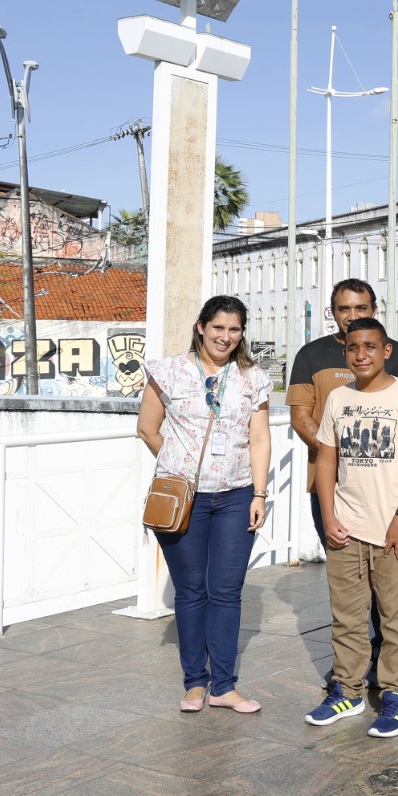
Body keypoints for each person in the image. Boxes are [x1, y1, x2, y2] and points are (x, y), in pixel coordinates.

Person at [136, 295, 273, 715]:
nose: (225, 337)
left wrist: (259, 493)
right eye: (218, 328)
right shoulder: (170, 371)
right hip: (184, 498)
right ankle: (195, 684)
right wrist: (178, 466)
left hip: (235, 495)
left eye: (234, 330)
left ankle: (225, 686)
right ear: (201, 327)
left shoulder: (253, 378)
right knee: (192, 591)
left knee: (227, 592)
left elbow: (260, 438)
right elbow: (147, 427)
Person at [305, 318, 398, 738]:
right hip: (347, 527)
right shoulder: (339, 398)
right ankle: (348, 690)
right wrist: (328, 516)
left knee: (395, 619)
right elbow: (327, 460)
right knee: (346, 617)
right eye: (353, 347)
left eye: (369, 346)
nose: (361, 354)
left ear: (387, 351)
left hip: (394, 532)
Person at [286, 279, 398, 677]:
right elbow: (300, 415)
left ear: (374, 309)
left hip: (384, 490)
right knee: (348, 584)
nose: (353, 316)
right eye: (344, 309)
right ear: (333, 312)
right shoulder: (311, 354)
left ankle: (382, 660)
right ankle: (352, 665)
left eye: (361, 308)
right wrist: (338, 453)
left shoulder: (395, 353)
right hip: (328, 487)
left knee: (387, 583)